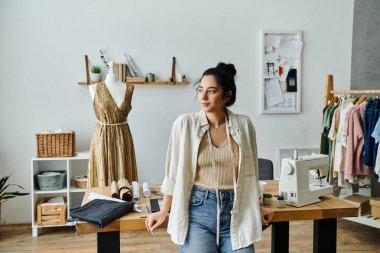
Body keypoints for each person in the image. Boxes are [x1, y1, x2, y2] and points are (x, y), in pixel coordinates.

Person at [145, 62, 273, 252]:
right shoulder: (185, 124)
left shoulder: (244, 125)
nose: (203, 97)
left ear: (227, 96)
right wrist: (164, 210)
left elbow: (250, 174)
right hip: (198, 211)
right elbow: (172, 173)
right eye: (200, 90)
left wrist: (256, 206)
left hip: (237, 211)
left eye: (211, 91)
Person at [87, 61, 138, 187]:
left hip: (123, 136)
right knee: (102, 177)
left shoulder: (129, 88)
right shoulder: (94, 88)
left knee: (124, 176)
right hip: (103, 137)